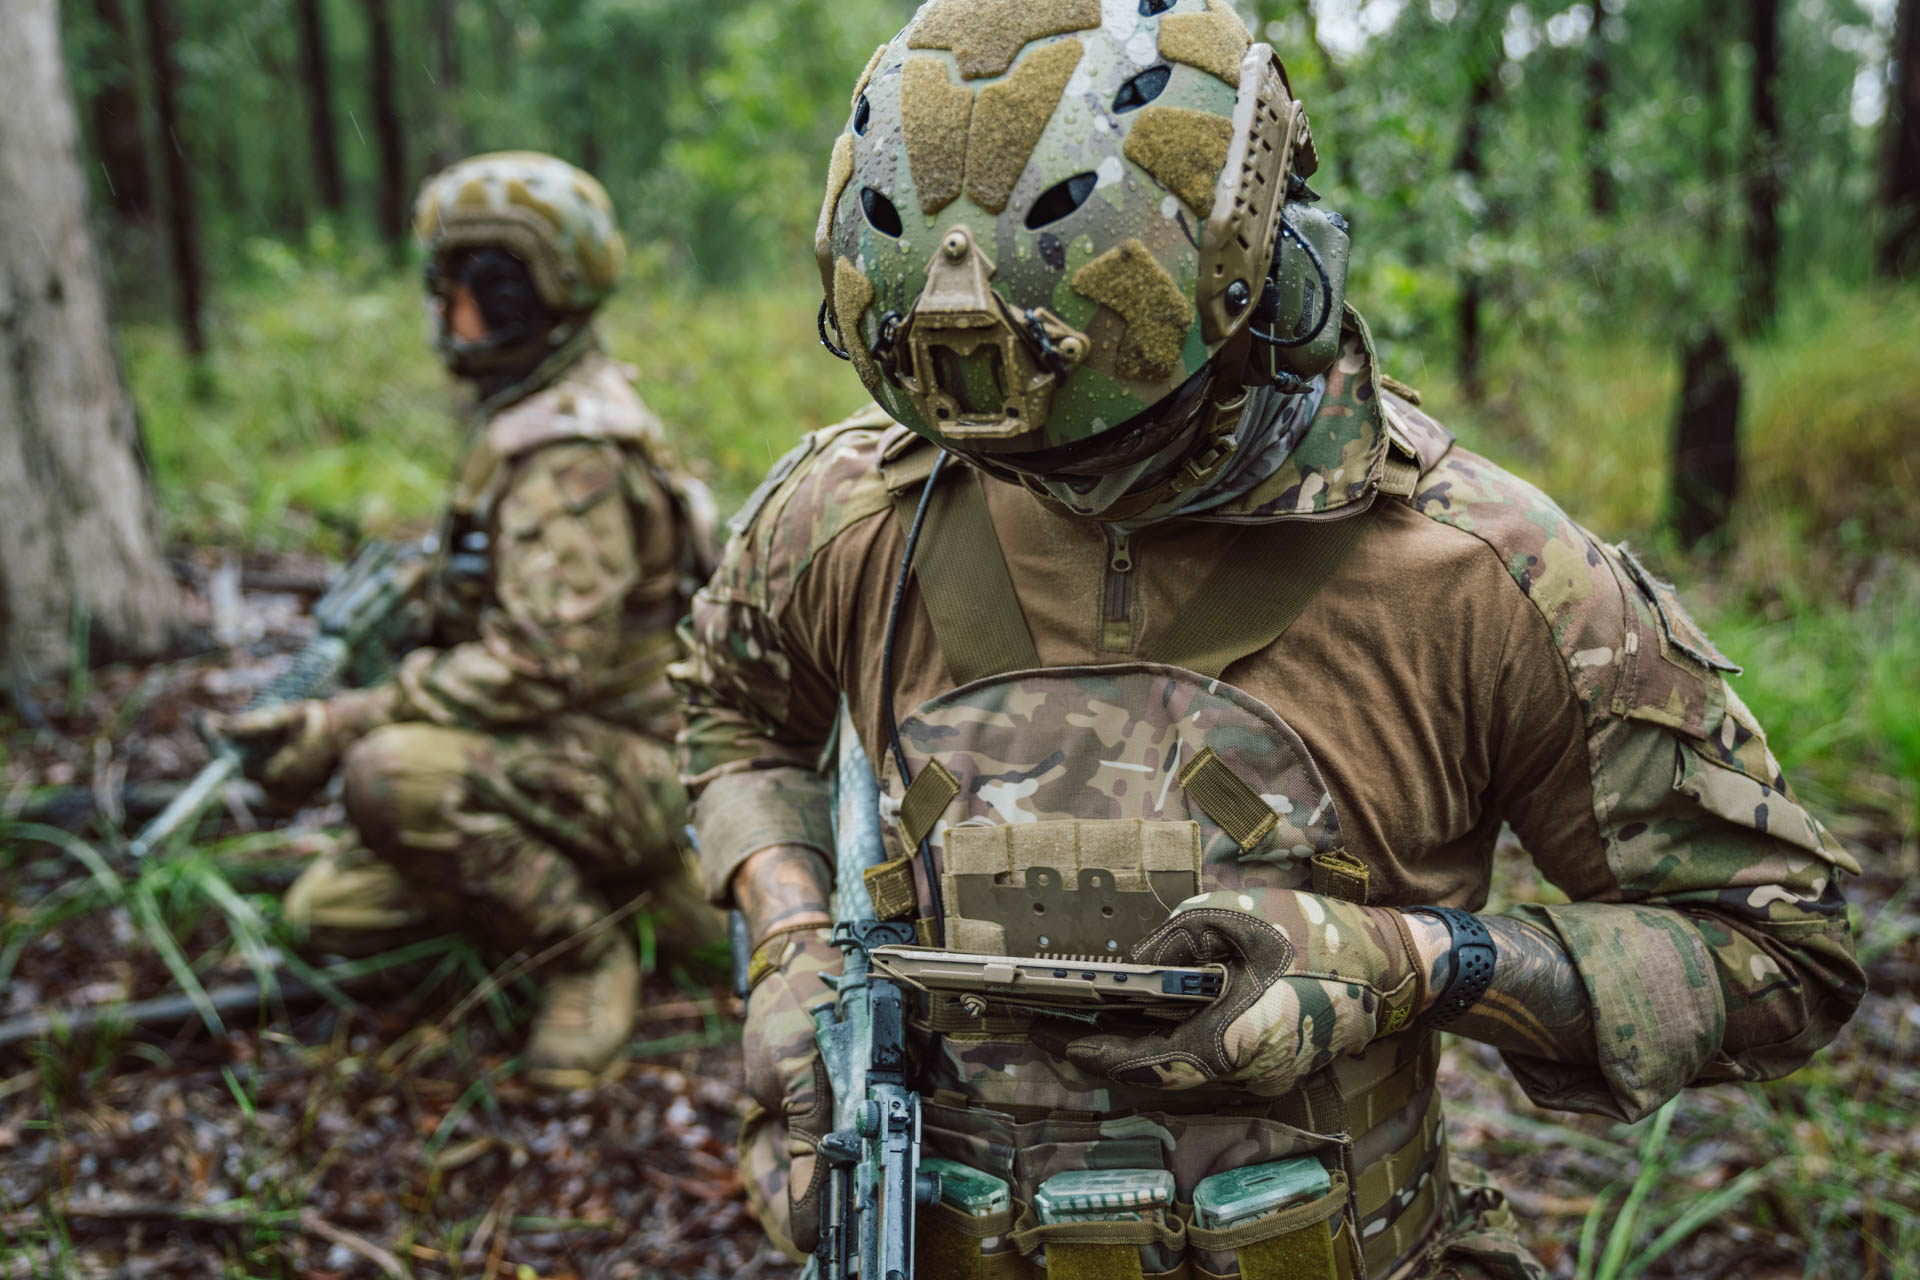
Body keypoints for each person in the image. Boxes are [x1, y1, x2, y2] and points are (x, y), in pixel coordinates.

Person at [673, 4, 1863, 1276]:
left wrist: (1419, 961)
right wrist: (791, 939)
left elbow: (1782, 951)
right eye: (1005, 459)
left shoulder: (1487, 574)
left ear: (1269, 284)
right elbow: (734, 711)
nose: (1059, 489)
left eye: (1111, 437)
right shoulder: (847, 516)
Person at [218, 151, 720, 1091]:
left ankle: (588, 954)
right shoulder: (535, 415)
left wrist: (352, 720)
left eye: (477, 287)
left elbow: (541, 664)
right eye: (443, 285)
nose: (449, 312)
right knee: (334, 912)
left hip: (636, 764)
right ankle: (632, 897)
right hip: (568, 757)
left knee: (391, 778)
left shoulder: (568, 456)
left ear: (537, 296)